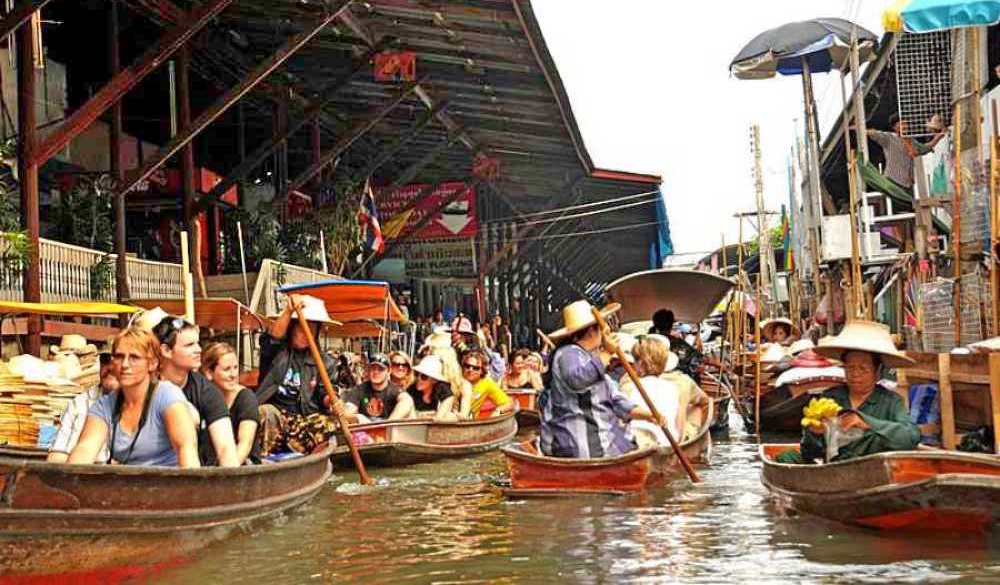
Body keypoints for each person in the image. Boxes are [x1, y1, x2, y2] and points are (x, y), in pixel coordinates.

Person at [539, 300, 660, 459]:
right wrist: (607, 354)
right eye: (602, 328)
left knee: (630, 442)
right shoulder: (568, 353)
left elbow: (616, 400)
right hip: (576, 445)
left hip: (601, 441)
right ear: (591, 331)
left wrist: (649, 415)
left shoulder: (592, 359)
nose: (606, 333)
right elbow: (577, 379)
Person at [69, 327, 199, 467]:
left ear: (153, 363)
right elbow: (85, 449)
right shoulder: (104, 406)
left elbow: (186, 451)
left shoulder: (168, 396)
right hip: (130, 484)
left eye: (134, 357)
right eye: (119, 356)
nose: (125, 365)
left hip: (168, 483)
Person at [793, 320, 920, 463]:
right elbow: (809, 452)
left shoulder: (891, 401)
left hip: (872, 472)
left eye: (863, 368)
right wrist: (814, 434)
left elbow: (911, 437)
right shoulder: (830, 398)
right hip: (832, 473)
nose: (855, 374)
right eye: (850, 368)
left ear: (877, 372)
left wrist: (866, 423)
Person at [256, 294, 341, 455]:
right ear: (292, 327)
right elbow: (273, 337)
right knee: (265, 412)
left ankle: (305, 454)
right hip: (277, 416)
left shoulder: (325, 362)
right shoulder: (276, 352)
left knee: (329, 423)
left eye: (311, 329)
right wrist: (289, 310)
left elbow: (325, 393)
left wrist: (332, 401)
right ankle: (265, 459)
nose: (305, 333)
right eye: (301, 328)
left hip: (303, 422)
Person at [151, 316, 239, 467]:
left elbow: (226, 450)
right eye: (189, 345)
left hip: (194, 475)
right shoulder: (145, 386)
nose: (199, 350)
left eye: (197, 343)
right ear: (166, 350)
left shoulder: (206, 391)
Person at [48, 351, 119, 463]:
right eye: (105, 360)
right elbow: (57, 456)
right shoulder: (79, 403)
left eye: (117, 359)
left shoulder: (149, 406)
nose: (110, 367)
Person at [202, 342, 261, 465]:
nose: (233, 375)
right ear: (209, 373)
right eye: (227, 369)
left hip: (242, 467)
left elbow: (245, 443)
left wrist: (227, 474)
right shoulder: (203, 398)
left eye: (235, 368)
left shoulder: (246, 398)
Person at [619, 335, 681, 447]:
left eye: (635, 361)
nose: (633, 365)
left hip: (640, 442)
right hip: (668, 442)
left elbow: (622, 415)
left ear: (641, 364)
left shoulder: (632, 387)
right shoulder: (672, 388)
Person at [866, 113, 946, 191]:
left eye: (905, 124)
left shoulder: (910, 141)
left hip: (907, 184)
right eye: (901, 124)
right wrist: (861, 128)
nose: (904, 126)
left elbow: (924, 148)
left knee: (910, 203)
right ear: (894, 127)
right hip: (893, 181)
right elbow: (874, 133)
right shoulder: (889, 138)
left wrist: (938, 137)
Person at [342, 353, 413, 423]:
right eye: (373, 368)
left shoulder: (395, 390)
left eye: (381, 369)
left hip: (389, 431)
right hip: (366, 431)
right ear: (368, 370)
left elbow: (407, 401)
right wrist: (357, 418)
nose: (376, 372)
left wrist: (389, 424)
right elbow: (347, 412)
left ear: (388, 371)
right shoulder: (359, 390)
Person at [462, 349, 513, 418]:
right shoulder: (456, 378)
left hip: (469, 423)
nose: (470, 370)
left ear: (482, 371)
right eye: (467, 366)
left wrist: (497, 411)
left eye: (476, 368)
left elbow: (508, 404)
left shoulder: (487, 382)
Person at [408, 355, 456, 420]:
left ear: (434, 380)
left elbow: (439, 417)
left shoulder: (443, 389)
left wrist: (435, 416)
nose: (418, 379)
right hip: (416, 427)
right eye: (416, 374)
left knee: (450, 417)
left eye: (424, 377)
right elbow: (411, 418)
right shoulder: (411, 390)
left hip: (435, 427)